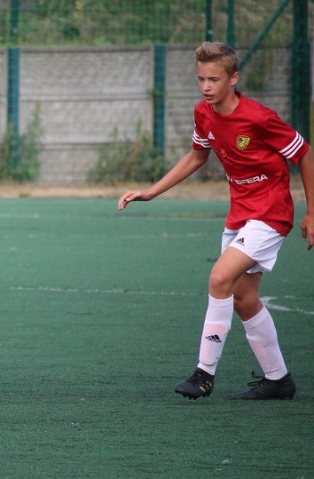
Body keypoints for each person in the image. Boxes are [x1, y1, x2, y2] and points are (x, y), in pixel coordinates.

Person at [118, 41, 314, 401]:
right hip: (239, 214)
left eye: (214, 79)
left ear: (233, 78)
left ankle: (203, 374)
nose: (206, 86)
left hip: (270, 214)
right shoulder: (203, 114)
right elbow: (196, 157)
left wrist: (312, 213)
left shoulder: (258, 117)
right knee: (243, 298)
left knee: (219, 277)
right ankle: (278, 379)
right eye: (201, 79)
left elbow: (304, 153)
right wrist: (151, 191)